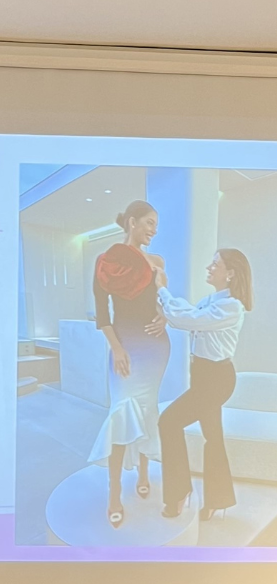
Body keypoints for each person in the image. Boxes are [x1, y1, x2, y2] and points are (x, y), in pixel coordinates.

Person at [154, 249, 253, 521]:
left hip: (217, 380)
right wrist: (167, 311)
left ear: (230, 273)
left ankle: (177, 494)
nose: (209, 267)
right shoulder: (211, 300)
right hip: (202, 376)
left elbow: (188, 320)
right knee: (213, 436)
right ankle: (216, 500)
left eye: (215, 264)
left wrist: (162, 290)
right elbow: (186, 313)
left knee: (168, 422)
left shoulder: (231, 306)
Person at [89, 200, 170, 528]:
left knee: (148, 411)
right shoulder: (105, 261)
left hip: (155, 348)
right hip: (123, 347)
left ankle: (144, 471)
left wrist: (164, 318)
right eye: (149, 223)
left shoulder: (158, 261)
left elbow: (166, 301)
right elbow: (101, 312)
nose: (154, 230)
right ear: (132, 222)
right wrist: (117, 349)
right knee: (122, 413)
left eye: (156, 225)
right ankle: (113, 494)